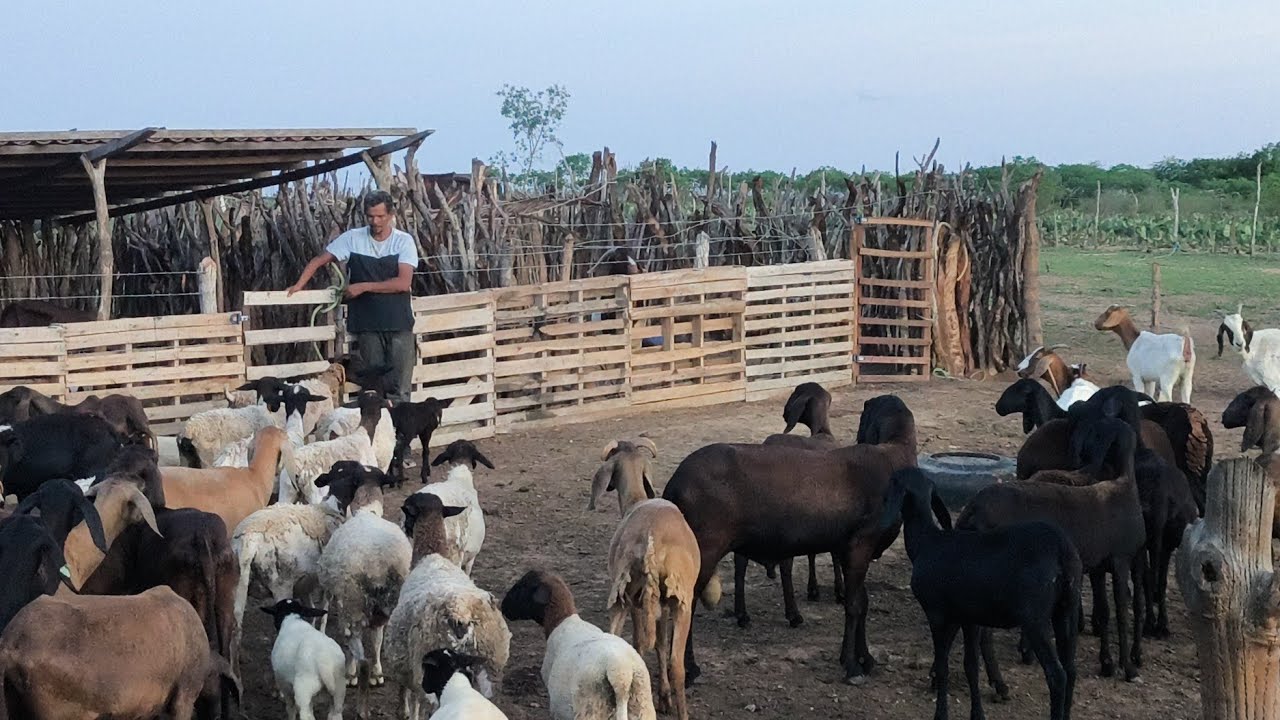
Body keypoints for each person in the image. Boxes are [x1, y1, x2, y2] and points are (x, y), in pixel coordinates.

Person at [287, 189, 418, 402]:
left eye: (380, 216)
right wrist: (299, 285)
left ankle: (397, 433)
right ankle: (376, 432)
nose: (375, 221)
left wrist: (363, 287)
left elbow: (403, 283)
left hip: (398, 321)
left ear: (391, 215)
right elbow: (320, 260)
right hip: (367, 324)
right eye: (370, 216)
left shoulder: (403, 241)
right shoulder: (353, 238)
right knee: (373, 386)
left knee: (400, 388)